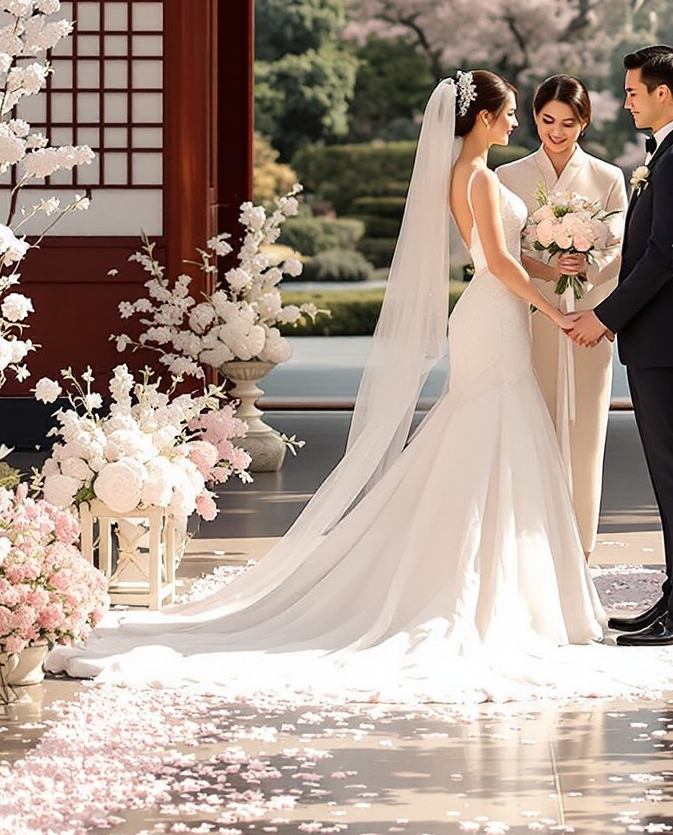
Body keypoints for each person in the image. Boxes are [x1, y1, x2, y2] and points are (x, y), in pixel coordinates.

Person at [63, 72, 605, 692]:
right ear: (483, 118)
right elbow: (498, 263)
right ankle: (486, 588)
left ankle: (490, 581)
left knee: (487, 432)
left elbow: (498, 256)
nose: (515, 122)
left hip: (493, 311)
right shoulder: (478, 176)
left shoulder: (467, 173)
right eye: (508, 112)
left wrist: (555, 267)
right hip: (494, 315)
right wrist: (555, 311)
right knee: (489, 429)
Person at [566, 46, 673, 648]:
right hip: (661, 339)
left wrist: (603, 317)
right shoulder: (671, 152)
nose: (626, 101)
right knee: (670, 473)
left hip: (670, 340)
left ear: (662, 92)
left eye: (633, 91)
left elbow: (664, 257)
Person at [497, 76, 628, 561]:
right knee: (531, 429)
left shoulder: (608, 178)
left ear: (584, 122)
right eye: (547, 120)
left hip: (589, 319)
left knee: (587, 431)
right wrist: (548, 268)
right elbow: (498, 252)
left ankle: (579, 548)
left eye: (568, 123)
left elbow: (622, 247)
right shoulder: (508, 176)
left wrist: (587, 267)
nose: (556, 131)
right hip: (530, 314)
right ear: (534, 117)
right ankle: (530, 547)